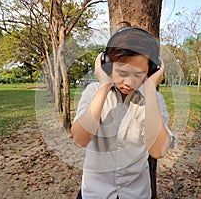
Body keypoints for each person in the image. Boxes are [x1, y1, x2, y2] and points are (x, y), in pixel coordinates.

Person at [71, 26, 175, 199]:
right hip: (94, 192)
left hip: (136, 193)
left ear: (152, 70)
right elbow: (80, 139)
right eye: (122, 73)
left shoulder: (154, 99)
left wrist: (149, 89)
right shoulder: (92, 92)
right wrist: (104, 85)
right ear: (107, 64)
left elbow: (157, 151)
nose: (129, 82)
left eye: (138, 74)